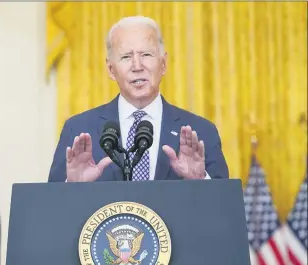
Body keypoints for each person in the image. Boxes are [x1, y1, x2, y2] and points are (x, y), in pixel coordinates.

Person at [48, 16, 229, 182]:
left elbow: (224, 209)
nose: (137, 66)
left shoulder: (201, 132)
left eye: (146, 55)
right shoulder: (78, 130)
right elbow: (52, 208)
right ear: (111, 70)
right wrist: (71, 187)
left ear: (163, 64)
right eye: (126, 57)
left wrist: (201, 181)